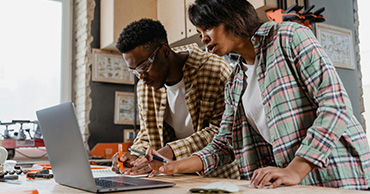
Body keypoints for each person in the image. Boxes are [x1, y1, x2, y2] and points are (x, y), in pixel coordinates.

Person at [144, 0, 370, 190]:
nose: (203, 39)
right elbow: (223, 145)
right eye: (199, 33)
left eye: (208, 28)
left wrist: (296, 168)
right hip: (296, 182)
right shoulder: (235, 81)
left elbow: (335, 105)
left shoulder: (290, 36)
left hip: (337, 173)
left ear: (231, 17)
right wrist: (173, 166)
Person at [111, 18, 239, 179]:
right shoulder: (146, 86)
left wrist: (171, 151)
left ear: (165, 51)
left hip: (217, 176)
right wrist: (135, 156)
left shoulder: (215, 71)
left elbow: (222, 132)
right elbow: (147, 133)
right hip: (173, 176)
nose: (141, 76)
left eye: (144, 66)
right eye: (134, 71)